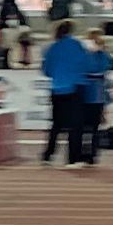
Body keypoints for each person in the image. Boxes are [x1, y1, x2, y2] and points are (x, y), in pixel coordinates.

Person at [40, 19, 86, 167]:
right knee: (76, 125)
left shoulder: (52, 47)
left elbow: (46, 70)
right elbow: (85, 64)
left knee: (56, 124)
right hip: (75, 87)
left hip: (57, 88)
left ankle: (48, 155)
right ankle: (73, 158)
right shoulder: (77, 45)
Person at [78, 29, 113, 168]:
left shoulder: (103, 56)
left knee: (92, 128)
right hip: (86, 95)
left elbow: (103, 69)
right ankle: (84, 154)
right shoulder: (83, 54)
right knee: (85, 128)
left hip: (94, 96)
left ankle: (91, 155)